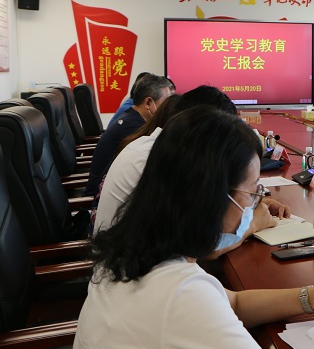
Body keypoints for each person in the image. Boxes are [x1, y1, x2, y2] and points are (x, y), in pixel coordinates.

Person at [72, 108, 314, 349]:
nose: (256, 204)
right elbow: (204, 304)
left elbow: (234, 304)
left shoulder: (133, 250)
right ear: (212, 197)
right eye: (252, 192)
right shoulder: (180, 294)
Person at [93, 86, 290, 252]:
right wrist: (252, 223)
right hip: (132, 270)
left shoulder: (160, 145)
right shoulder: (157, 159)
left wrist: (247, 204)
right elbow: (202, 246)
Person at [84, 73, 174, 196]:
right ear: (148, 102)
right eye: (166, 103)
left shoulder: (132, 117)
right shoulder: (135, 128)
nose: (169, 109)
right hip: (97, 196)